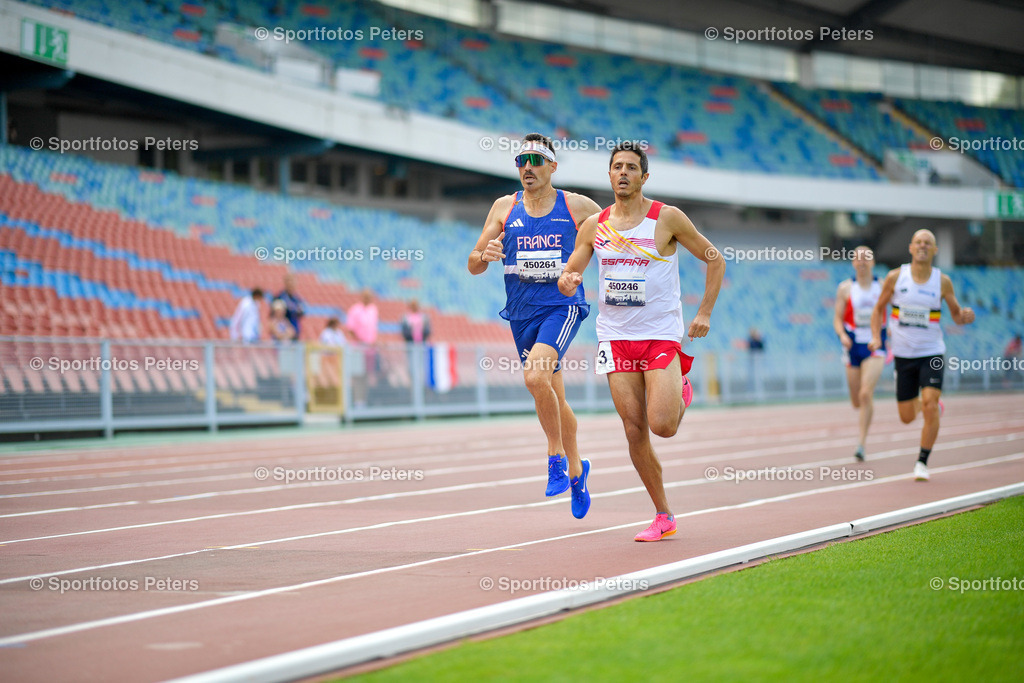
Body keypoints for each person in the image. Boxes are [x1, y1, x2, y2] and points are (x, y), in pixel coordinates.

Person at [559, 141, 725, 541]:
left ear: (644, 176)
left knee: (662, 425)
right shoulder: (595, 225)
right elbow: (574, 267)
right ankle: (663, 514)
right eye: (617, 167)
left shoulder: (666, 218)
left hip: (659, 335)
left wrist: (703, 312)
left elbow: (714, 258)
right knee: (635, 430)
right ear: (609, 174)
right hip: (615, 338)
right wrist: (568, 279)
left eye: (631, 168)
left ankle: (680, 387)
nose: (623, 173)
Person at [468, 132, 601, 519]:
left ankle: (555, 458)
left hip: (562, 307)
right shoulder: (503, 208)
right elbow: (473, 264)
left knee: (533, 377)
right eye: (521, 160)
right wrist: (485, 254)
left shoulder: (577, 206)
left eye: (536, 160)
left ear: (552, 167)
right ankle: (578, 471)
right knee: (553, 396)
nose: (527, 166)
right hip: (521, 312)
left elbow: (614, 235)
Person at [869, 229, 975, 481]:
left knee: (929, 405)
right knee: (906, 417)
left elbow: (957, 314)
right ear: (910, 247)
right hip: (904, 356)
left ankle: (922, 462)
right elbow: (878, 309)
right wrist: (876, 336)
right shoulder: (896, 277)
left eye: (928, 243)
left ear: (935, 250)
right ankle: (931, 404)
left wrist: (964, 316)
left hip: (932, 352)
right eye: (918, 242)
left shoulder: (942, 281)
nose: (923, 246)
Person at [833, 246, 886, 461]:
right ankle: (865, 413)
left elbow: (894, 311)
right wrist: (842, 335)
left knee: (865, 394)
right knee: (856, 401)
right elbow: (837, 318)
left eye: (867, 258)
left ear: (873, 262)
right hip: (853, 346)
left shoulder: (882, 286)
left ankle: (861, 444)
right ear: (853, 263)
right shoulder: (845, 289)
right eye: (858, 258)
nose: (862, 262)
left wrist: (887, 331)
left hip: (875, 345)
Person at [346, 289, 379, 406]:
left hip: (370, 349)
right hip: (358, 348)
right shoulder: (355, 310)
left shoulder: (373, 310)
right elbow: (350, 329)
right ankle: (357, 400)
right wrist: (361, 341)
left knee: (367, 375)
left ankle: (364, 400)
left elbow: (374, 329)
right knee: (358, 375)